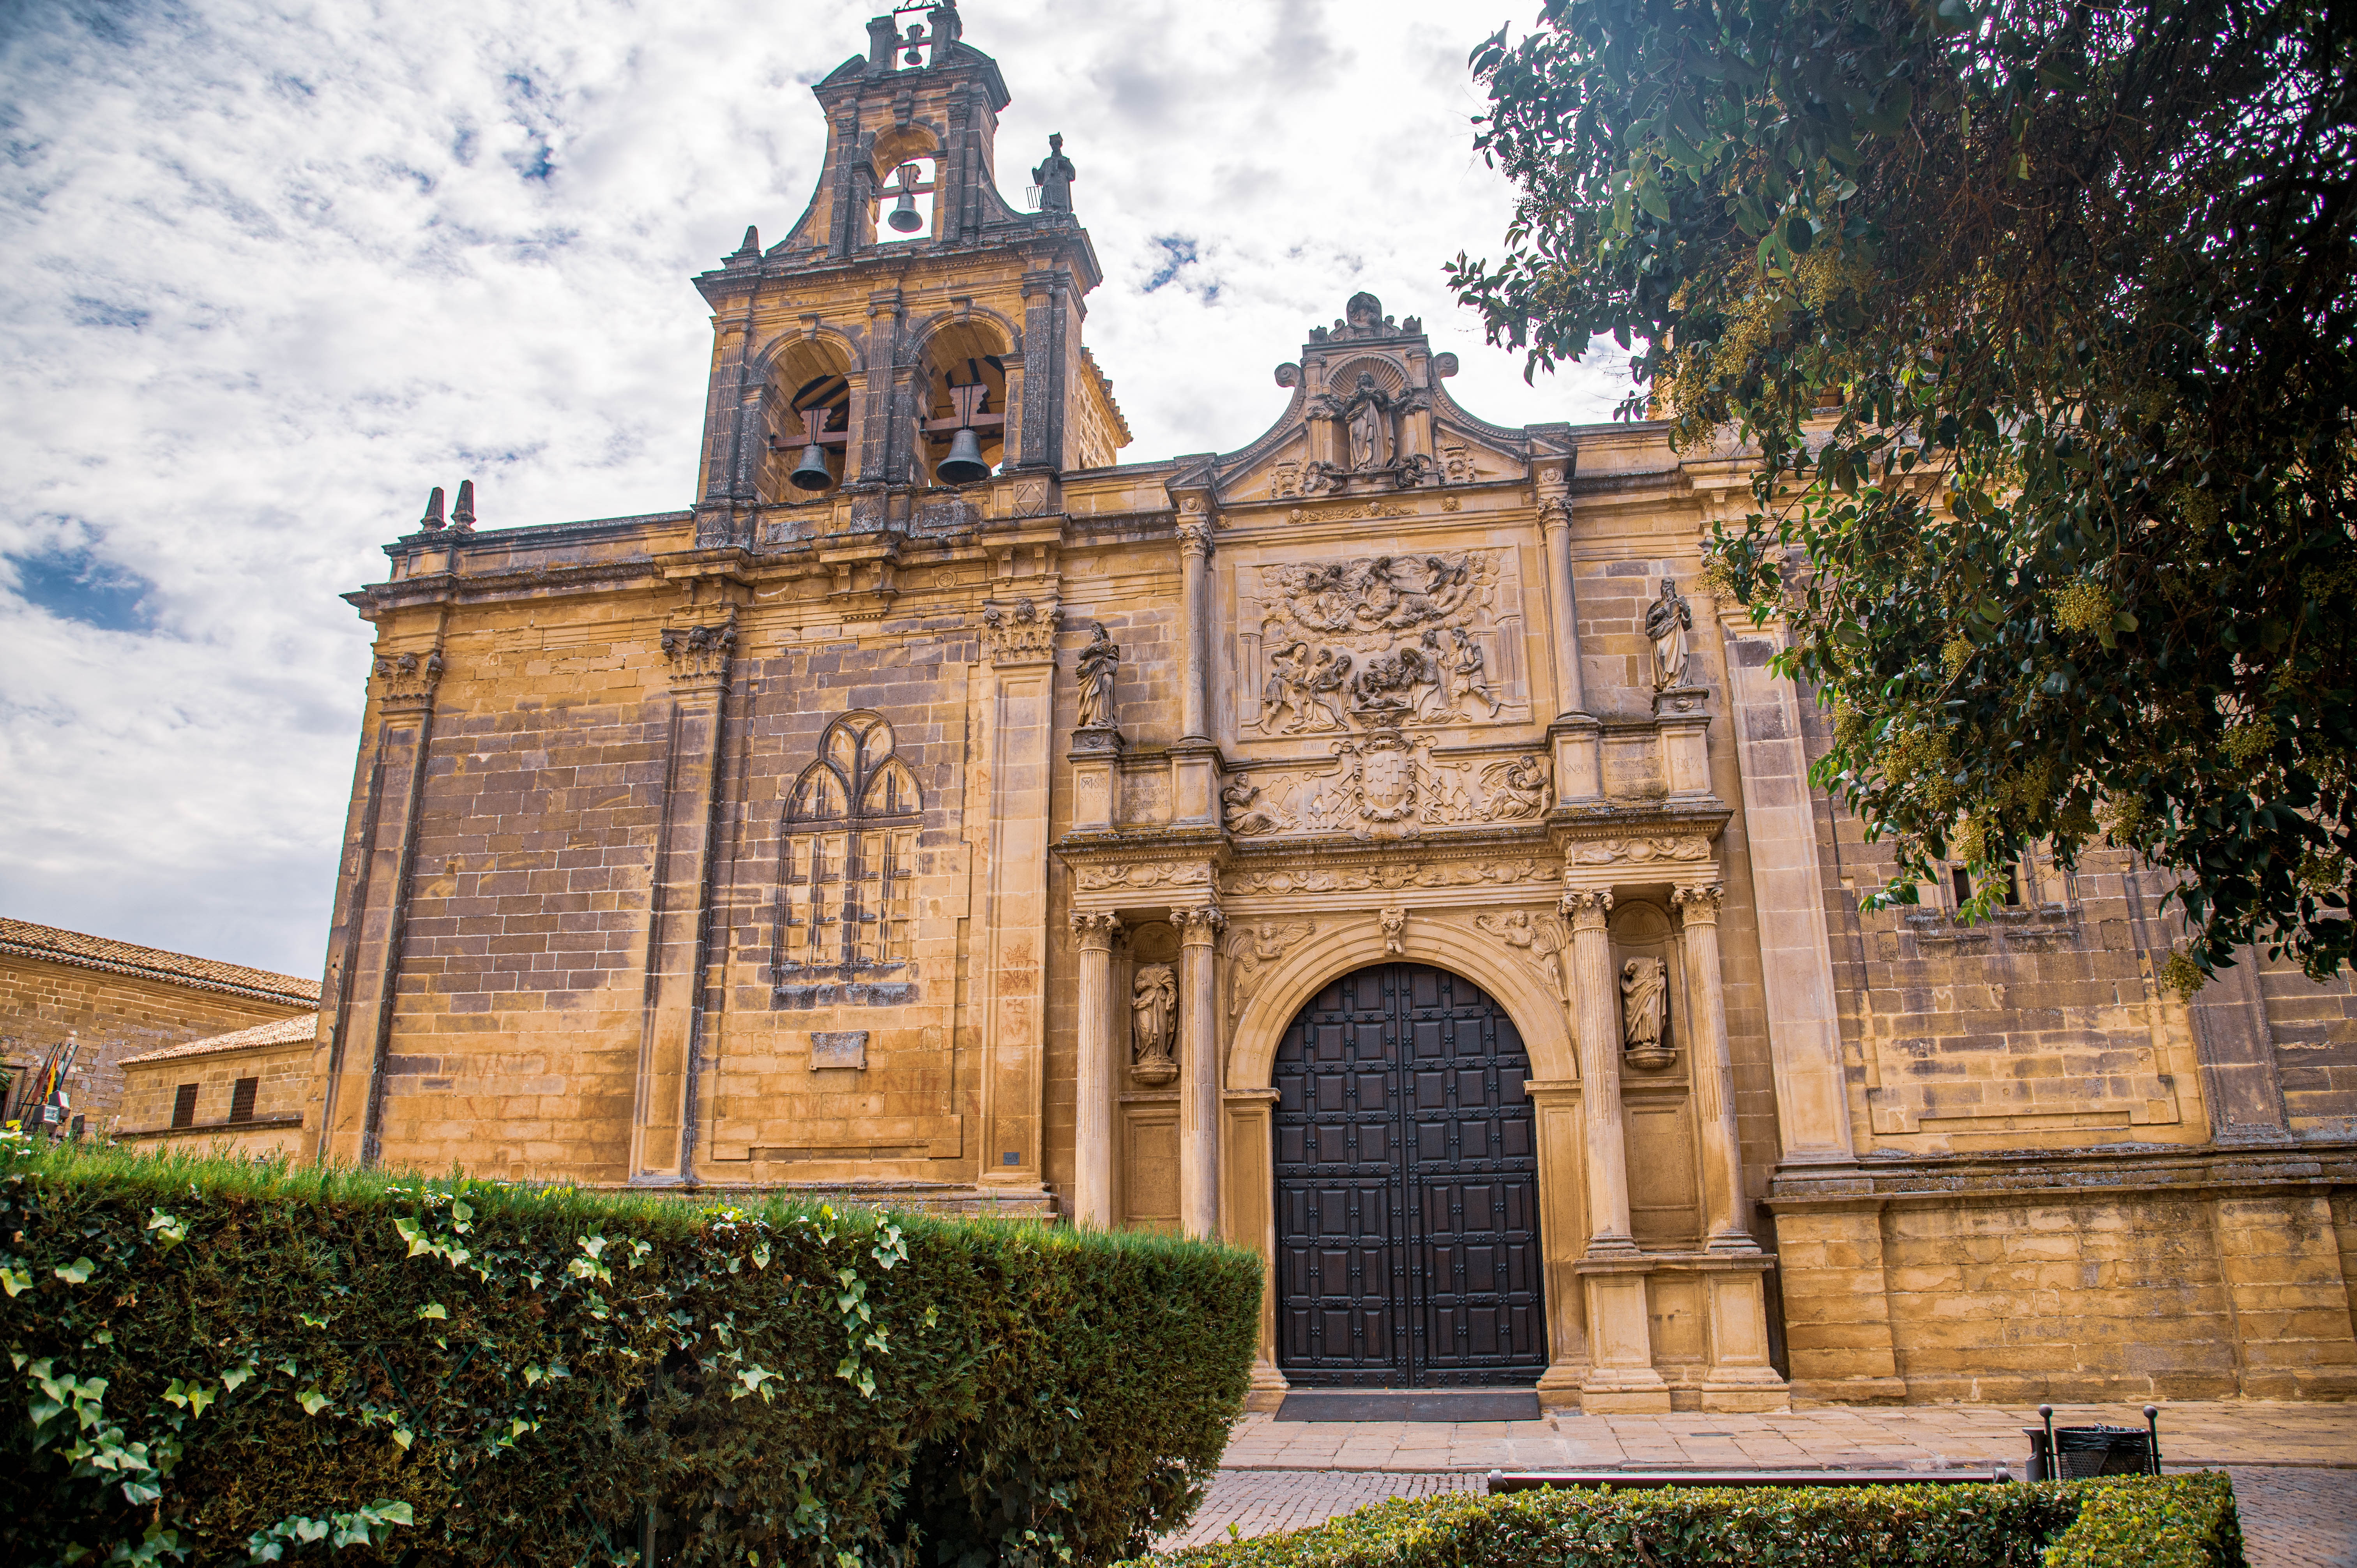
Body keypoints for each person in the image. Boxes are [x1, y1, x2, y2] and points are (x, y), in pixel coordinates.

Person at [1033, 133, 1076, 212]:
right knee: (1047, 212)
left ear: (1060, 145)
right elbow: (1040, 177)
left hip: (1061, 193)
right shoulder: (1047, 161)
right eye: (1053, 144)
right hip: (1048, 193)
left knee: (1062, 213)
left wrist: (1066, 166)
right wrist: (1036, 173)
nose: (1054, 146)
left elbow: (1072, 175)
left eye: (1056, 144)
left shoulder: (1065, 160)